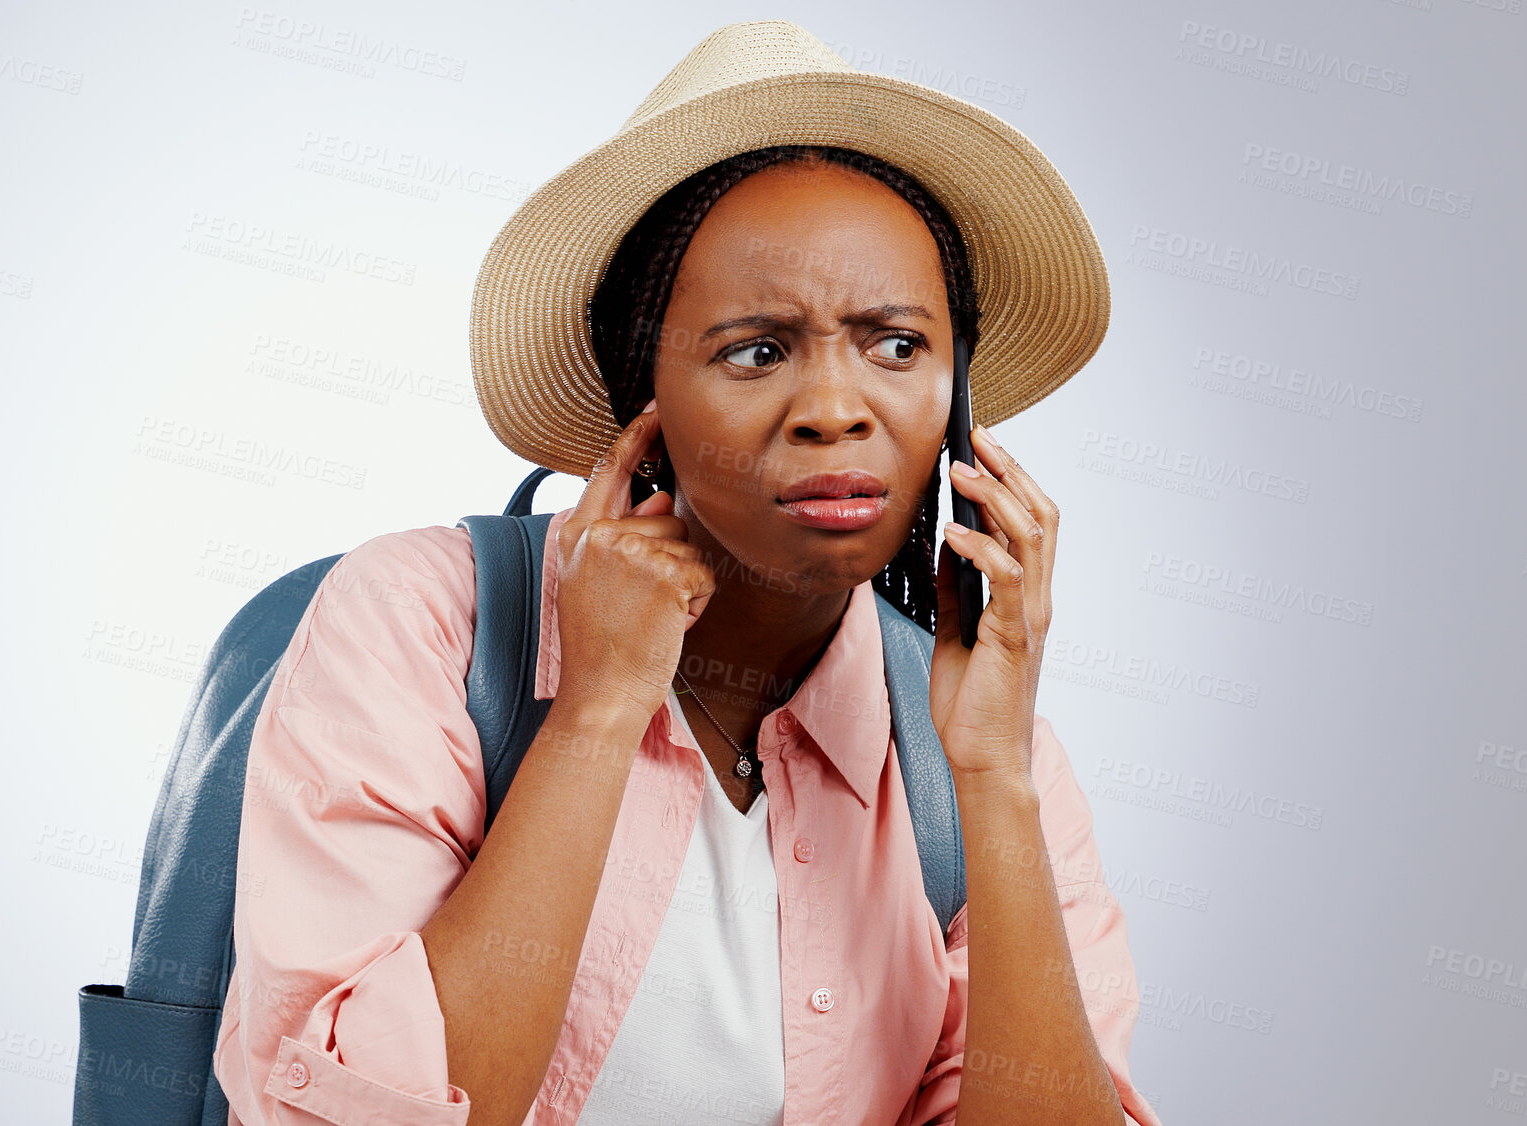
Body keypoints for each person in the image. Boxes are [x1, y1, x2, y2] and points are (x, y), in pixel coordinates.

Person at [213, 19, 1162, 1126]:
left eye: (896, 345)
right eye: (755, 349)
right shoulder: (420, 623)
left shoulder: (973, 742)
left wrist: (996, 783)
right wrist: (598, 710)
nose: (836, 408)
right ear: (639, 390)